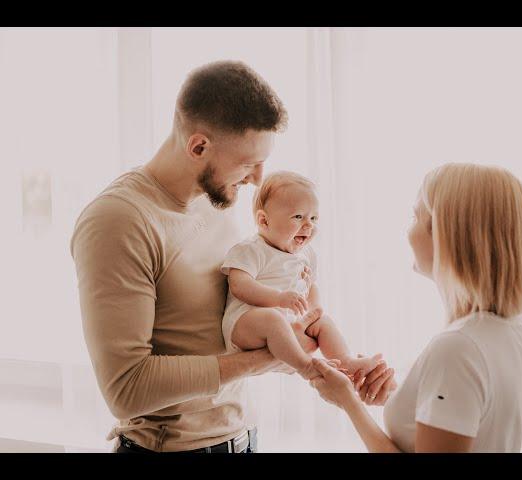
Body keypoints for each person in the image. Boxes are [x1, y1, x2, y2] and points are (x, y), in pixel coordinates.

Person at [70, 60, 397, 453]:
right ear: (198, 146)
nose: (259, 178)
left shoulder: (218, 200)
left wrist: (339, 363)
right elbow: (126, 388)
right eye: (248, 163)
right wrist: (279, 358)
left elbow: (230, 332)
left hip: (242, 437)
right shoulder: (119, 221)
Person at [309, 163, 522, 453]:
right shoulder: (515, 334)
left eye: (415, 216)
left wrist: (348, 401)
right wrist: (400, 397)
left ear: (446, 233)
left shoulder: (458, 348)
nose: (407, 231)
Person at [220, 170, 383, 380]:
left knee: (323, 322)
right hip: (245, 324)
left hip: (287, 326)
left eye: (314, 218)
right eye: (298, 216)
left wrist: (312, 313)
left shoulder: (305, 254)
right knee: (272, 319)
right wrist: (277, 298)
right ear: (264, 221)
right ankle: (307, 367)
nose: (309, 225)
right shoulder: (251, 249)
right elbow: (239, 285)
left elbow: (311, 286)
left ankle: (346, 362)